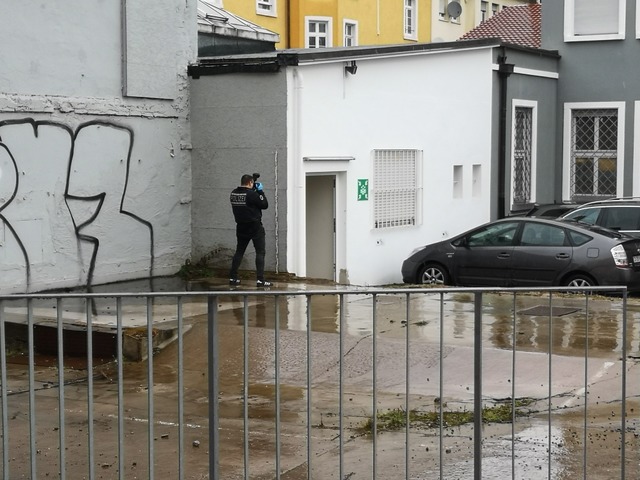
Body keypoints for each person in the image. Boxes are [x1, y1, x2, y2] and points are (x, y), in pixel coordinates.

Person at [229, 174, 272, 287]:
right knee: (260, 252)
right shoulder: (251, 194)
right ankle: (260, 280)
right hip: (254, 226)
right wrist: (260, 192)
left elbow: (247, 202)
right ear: (250, 183)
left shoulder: (233, 193)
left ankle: (233, 278)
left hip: (241, 226)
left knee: (239, 251)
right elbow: (264, 205)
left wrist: (253, 191)